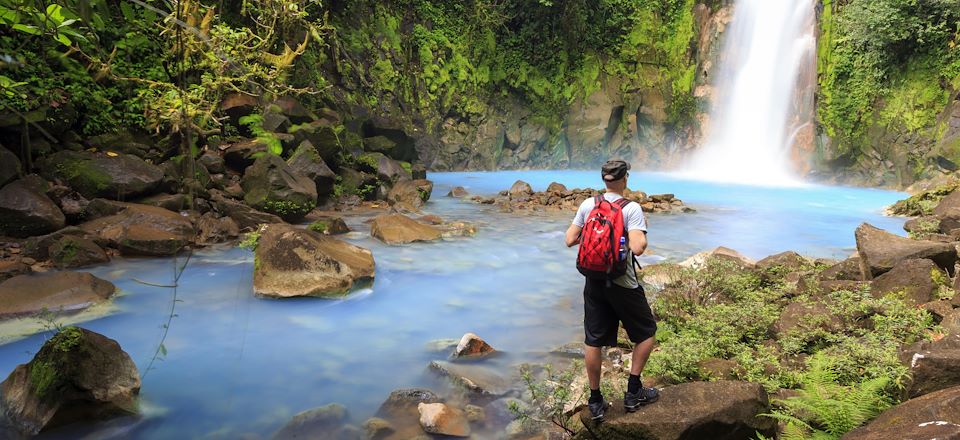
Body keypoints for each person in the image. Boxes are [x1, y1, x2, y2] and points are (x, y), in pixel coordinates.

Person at [564, 159, 659, 422]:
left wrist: (596, 239)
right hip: (622, 282)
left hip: (593, 281)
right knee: (647, 332)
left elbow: (570, 239)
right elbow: (639, 248)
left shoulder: (588, 204)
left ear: (603, 179)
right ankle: (633, 391)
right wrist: (633, 234)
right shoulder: (631, 208)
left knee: (593, 340)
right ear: (625, 178)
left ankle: (595, 401)